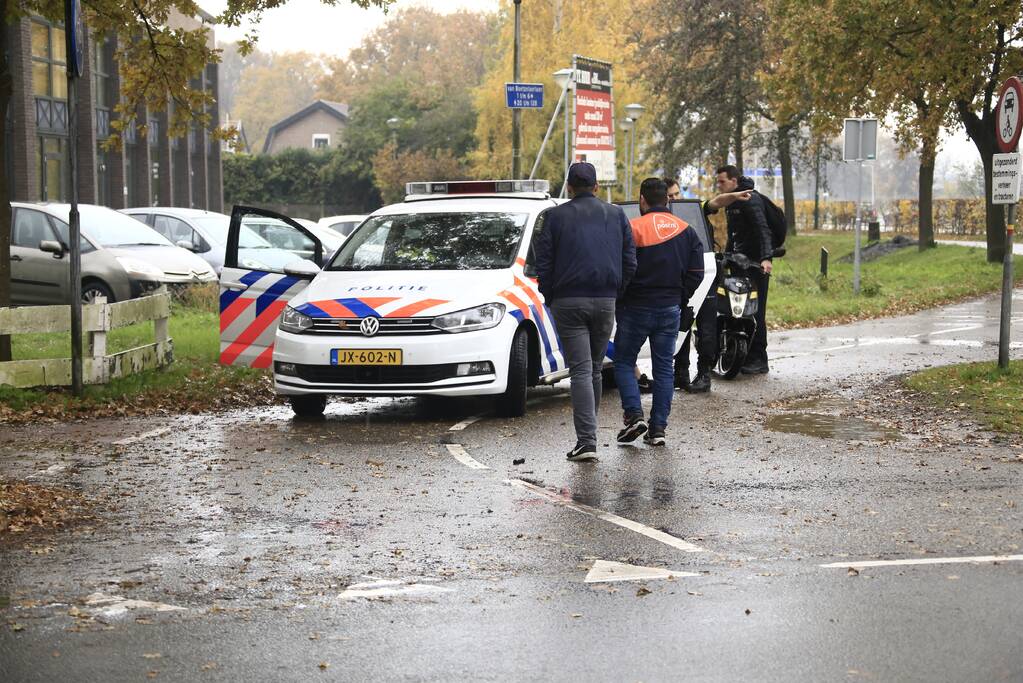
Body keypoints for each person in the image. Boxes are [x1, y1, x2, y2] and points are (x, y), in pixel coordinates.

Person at [534, 162, 636, 462]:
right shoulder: (617, 215)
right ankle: (588, 438)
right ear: (596, 186)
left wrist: (550, 295)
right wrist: (617, 291)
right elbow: (630, 260)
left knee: (580, 369)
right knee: (593, 367)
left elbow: (544, 262)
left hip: (567, 301)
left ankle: (587, 441)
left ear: (568, 187)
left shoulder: (553, 216)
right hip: (605, 299)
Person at [613, 178, 704, 447]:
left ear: (642, 200)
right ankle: (658, 429)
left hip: (635, 308)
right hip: (669, 309)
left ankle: (634, 415)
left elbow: (621, 268)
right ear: (667, 200)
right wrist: (679, 296)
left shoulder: (632, 229)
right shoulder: (687, 231)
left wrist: (622, 296)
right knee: (665, 368)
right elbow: (697, 273)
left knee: (623, 361)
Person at [674, 183, 753, 391]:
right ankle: (680, 373)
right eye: (670, 195)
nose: (675, 198)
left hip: (706, 274)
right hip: (679, 277)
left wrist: (734, 196)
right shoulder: (663, 217)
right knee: (681, 326)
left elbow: (717, 201)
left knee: (707, 326)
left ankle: (704, 374)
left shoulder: (696, 208)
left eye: (677, 193)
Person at [710, 165, 773, 374]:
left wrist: (766, 258)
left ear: (734, 182)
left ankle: (758, 358)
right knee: (735, 308)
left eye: (722, 181)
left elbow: (763, 230)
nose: (719, 185)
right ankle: (736, 352)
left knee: (755, 310)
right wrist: (726, 257)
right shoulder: (732, 201)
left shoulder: (750, 199)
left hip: (756, 266)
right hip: (739, 262)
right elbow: (735, 235)